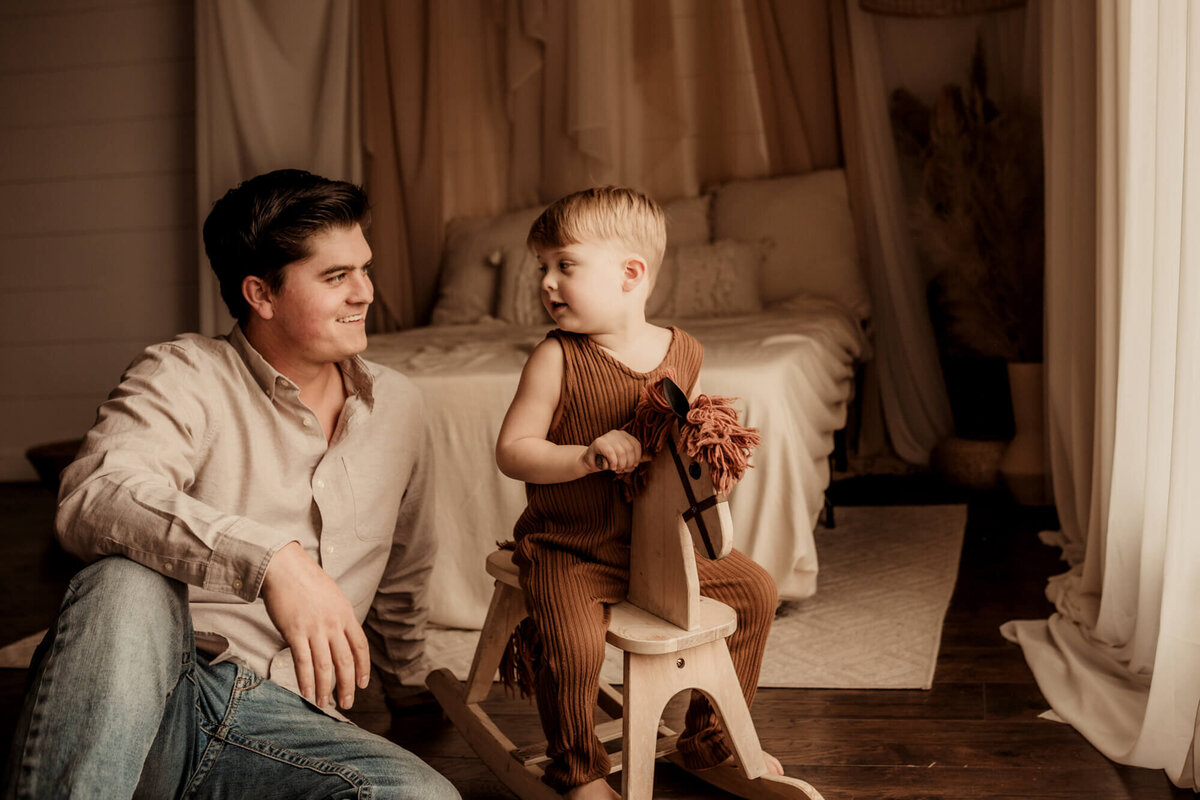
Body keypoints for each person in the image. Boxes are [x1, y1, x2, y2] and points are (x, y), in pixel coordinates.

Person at [2, 169, 460, 800]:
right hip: (161, 690)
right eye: (336, 277)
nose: (366, 293)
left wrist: (409, 683)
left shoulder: (400, 406)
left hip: (284, 726)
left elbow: (406, 564)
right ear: (260, 294)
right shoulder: (183, 373)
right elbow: (96, 494)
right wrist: (272, 560)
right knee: (125, 581)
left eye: (364, 269)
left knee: (422, 797)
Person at [494, 186, 782, 799]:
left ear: (631, 274)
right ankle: (580, 768)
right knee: (572, 644)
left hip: (657, 549)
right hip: (569, 544)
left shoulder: (683, 352)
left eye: (564, 265)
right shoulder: (555, 359)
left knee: (756, 592)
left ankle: (708, 742)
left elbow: (680, 448)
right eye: (541, 268)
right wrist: (582, 456)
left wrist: (707, 454)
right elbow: (512, 449)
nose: (546, 282)